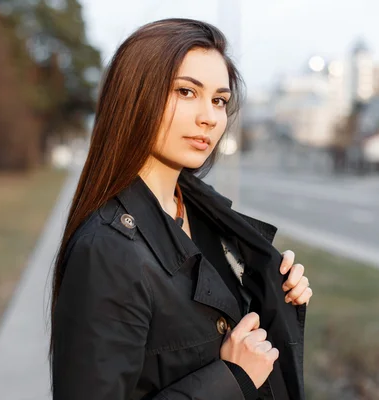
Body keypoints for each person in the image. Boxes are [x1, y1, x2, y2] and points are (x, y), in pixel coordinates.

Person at [50, 18, 313, 400]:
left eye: (219, 100)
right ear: (135, 95)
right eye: (186, 92)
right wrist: (232, 378)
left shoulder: (200, 216)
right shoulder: (107, 250)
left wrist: (275, 295)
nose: (209, 116)